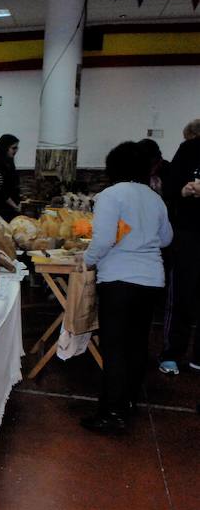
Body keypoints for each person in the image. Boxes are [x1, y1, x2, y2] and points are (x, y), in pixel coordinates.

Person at [80, 141, 173, 435]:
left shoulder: (111, 195)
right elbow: (167, 238)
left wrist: (88, 259)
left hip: (119, 281)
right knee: (136, 344)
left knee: (115, 347)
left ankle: (111, 412)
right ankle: (129, 401)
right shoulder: (155, 197)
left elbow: (104, 238)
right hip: (151, 281)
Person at [159, 119, 200, 375]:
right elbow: (170, 187)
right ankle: (172, 352)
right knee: (182, 293)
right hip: (189, 233)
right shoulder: (189, 150)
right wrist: (184, 190)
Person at [0, 134, 21, 221]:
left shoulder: (9, 163)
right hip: (2, 210)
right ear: (4, 148)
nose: (16, 151)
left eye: (17, 148)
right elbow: (1, 192)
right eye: (13, 148)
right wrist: (15, 206)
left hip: (11, 208)